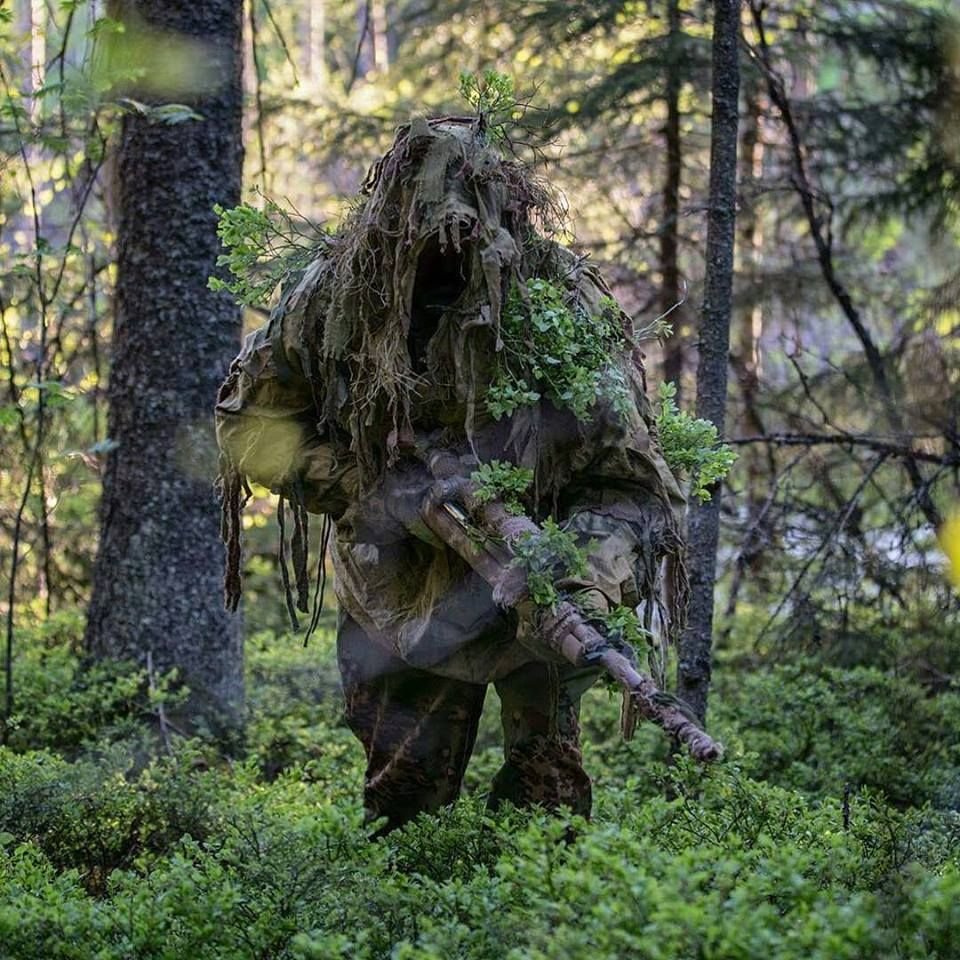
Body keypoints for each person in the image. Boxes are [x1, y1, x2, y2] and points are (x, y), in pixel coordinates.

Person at [215, 116, 686, 833]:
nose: (442, 255)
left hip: (536, 586)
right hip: (396, 593)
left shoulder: (561, 306)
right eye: (421, 237)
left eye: (463, 238)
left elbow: (628, 479)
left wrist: (579, 576)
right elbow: (249, 423)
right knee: (404, 803)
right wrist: (365, 490)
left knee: (548, 808)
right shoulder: (331, 298)